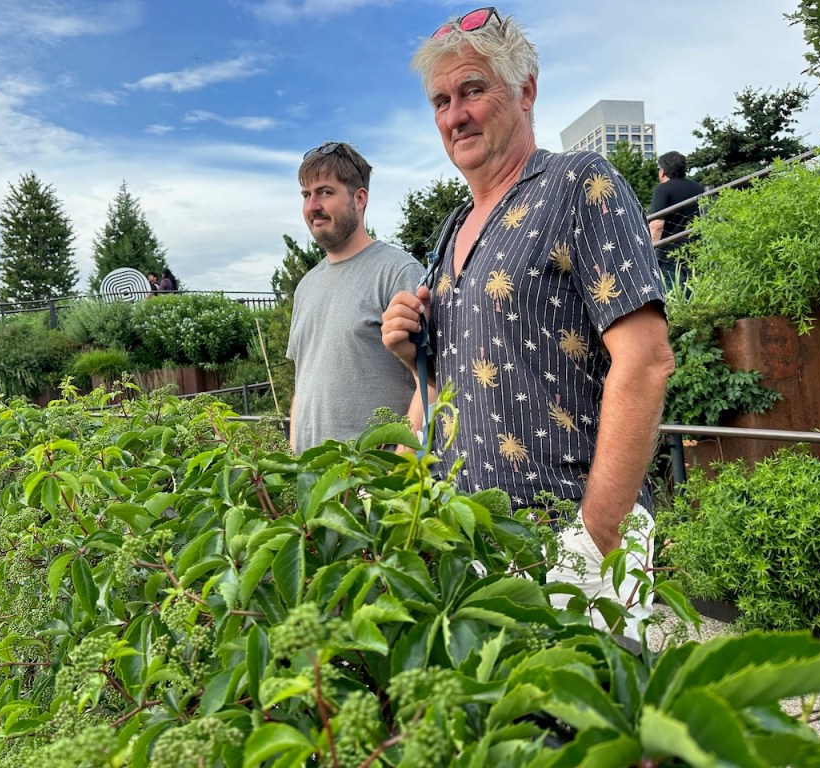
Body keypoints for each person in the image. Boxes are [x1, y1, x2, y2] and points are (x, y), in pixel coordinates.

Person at [380, 7, 674, 636]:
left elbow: (647, 360)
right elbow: (437, 398)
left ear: (526, 90)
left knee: (586, 701)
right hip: (465, 552)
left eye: (472, 90)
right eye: (440, 101)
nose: (454, 115)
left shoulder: (579, 184)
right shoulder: (449, 231)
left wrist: (596, 535)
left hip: (565, 537)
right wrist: (417, 365)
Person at [287, 141, 423, 454]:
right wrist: (294, 460)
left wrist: (401, 468)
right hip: (312, 478)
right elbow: (302, 385)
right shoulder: (305, 286)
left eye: (325, 192)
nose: (312, 206)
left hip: (375, 479)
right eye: (306, 195)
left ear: (359, 198)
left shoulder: (398, 272)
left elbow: (431, 380)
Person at [649, 151, 704, 289]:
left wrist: (649, 252)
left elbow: (657, 225)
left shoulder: (662, 190)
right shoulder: (698, 188)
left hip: (669, 255)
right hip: (696, 251)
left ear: (662, 171)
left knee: (672, 293)